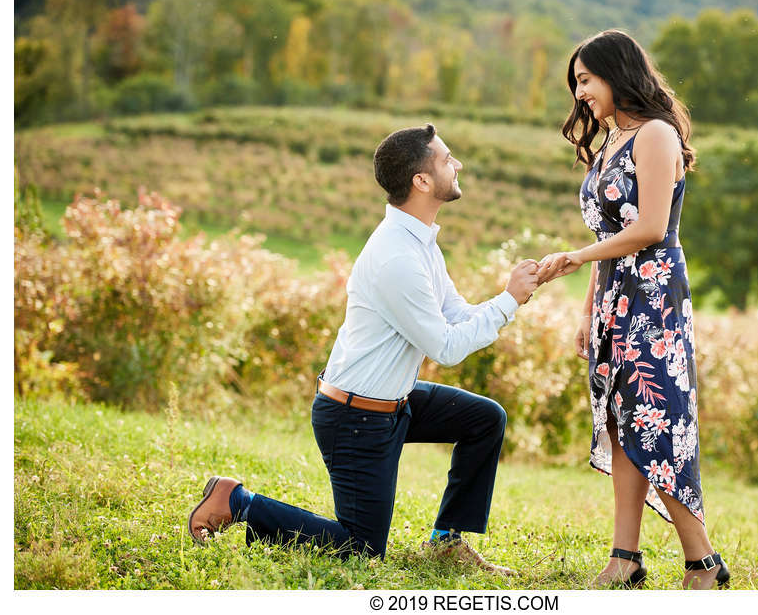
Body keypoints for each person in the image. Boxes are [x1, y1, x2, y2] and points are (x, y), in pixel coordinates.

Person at [188, 124, 539, 575]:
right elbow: (446, 347)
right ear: (422, 181)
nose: (458, 164)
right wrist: (508, 301)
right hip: (355, 420)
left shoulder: (421, 244)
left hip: (396, 403)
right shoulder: (397, 257)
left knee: (484, 419)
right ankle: (237, 501)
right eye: (447, 158)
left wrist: (515, 291)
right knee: (360, 549)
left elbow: (455, 314)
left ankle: (447, 540)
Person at [535, 29, 730, 589]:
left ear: (618, 73)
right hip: (614, 296)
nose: (580, 95)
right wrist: (588, 309)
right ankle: (625, 558)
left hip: (654, 297)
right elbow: (610, 232)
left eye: (586, 80)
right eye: (576, 84)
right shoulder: (609, 145)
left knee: (658, 422)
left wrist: (573, 257)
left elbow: (647, 228)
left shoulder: (655, 134)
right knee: (623, 426)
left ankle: (702, 563)